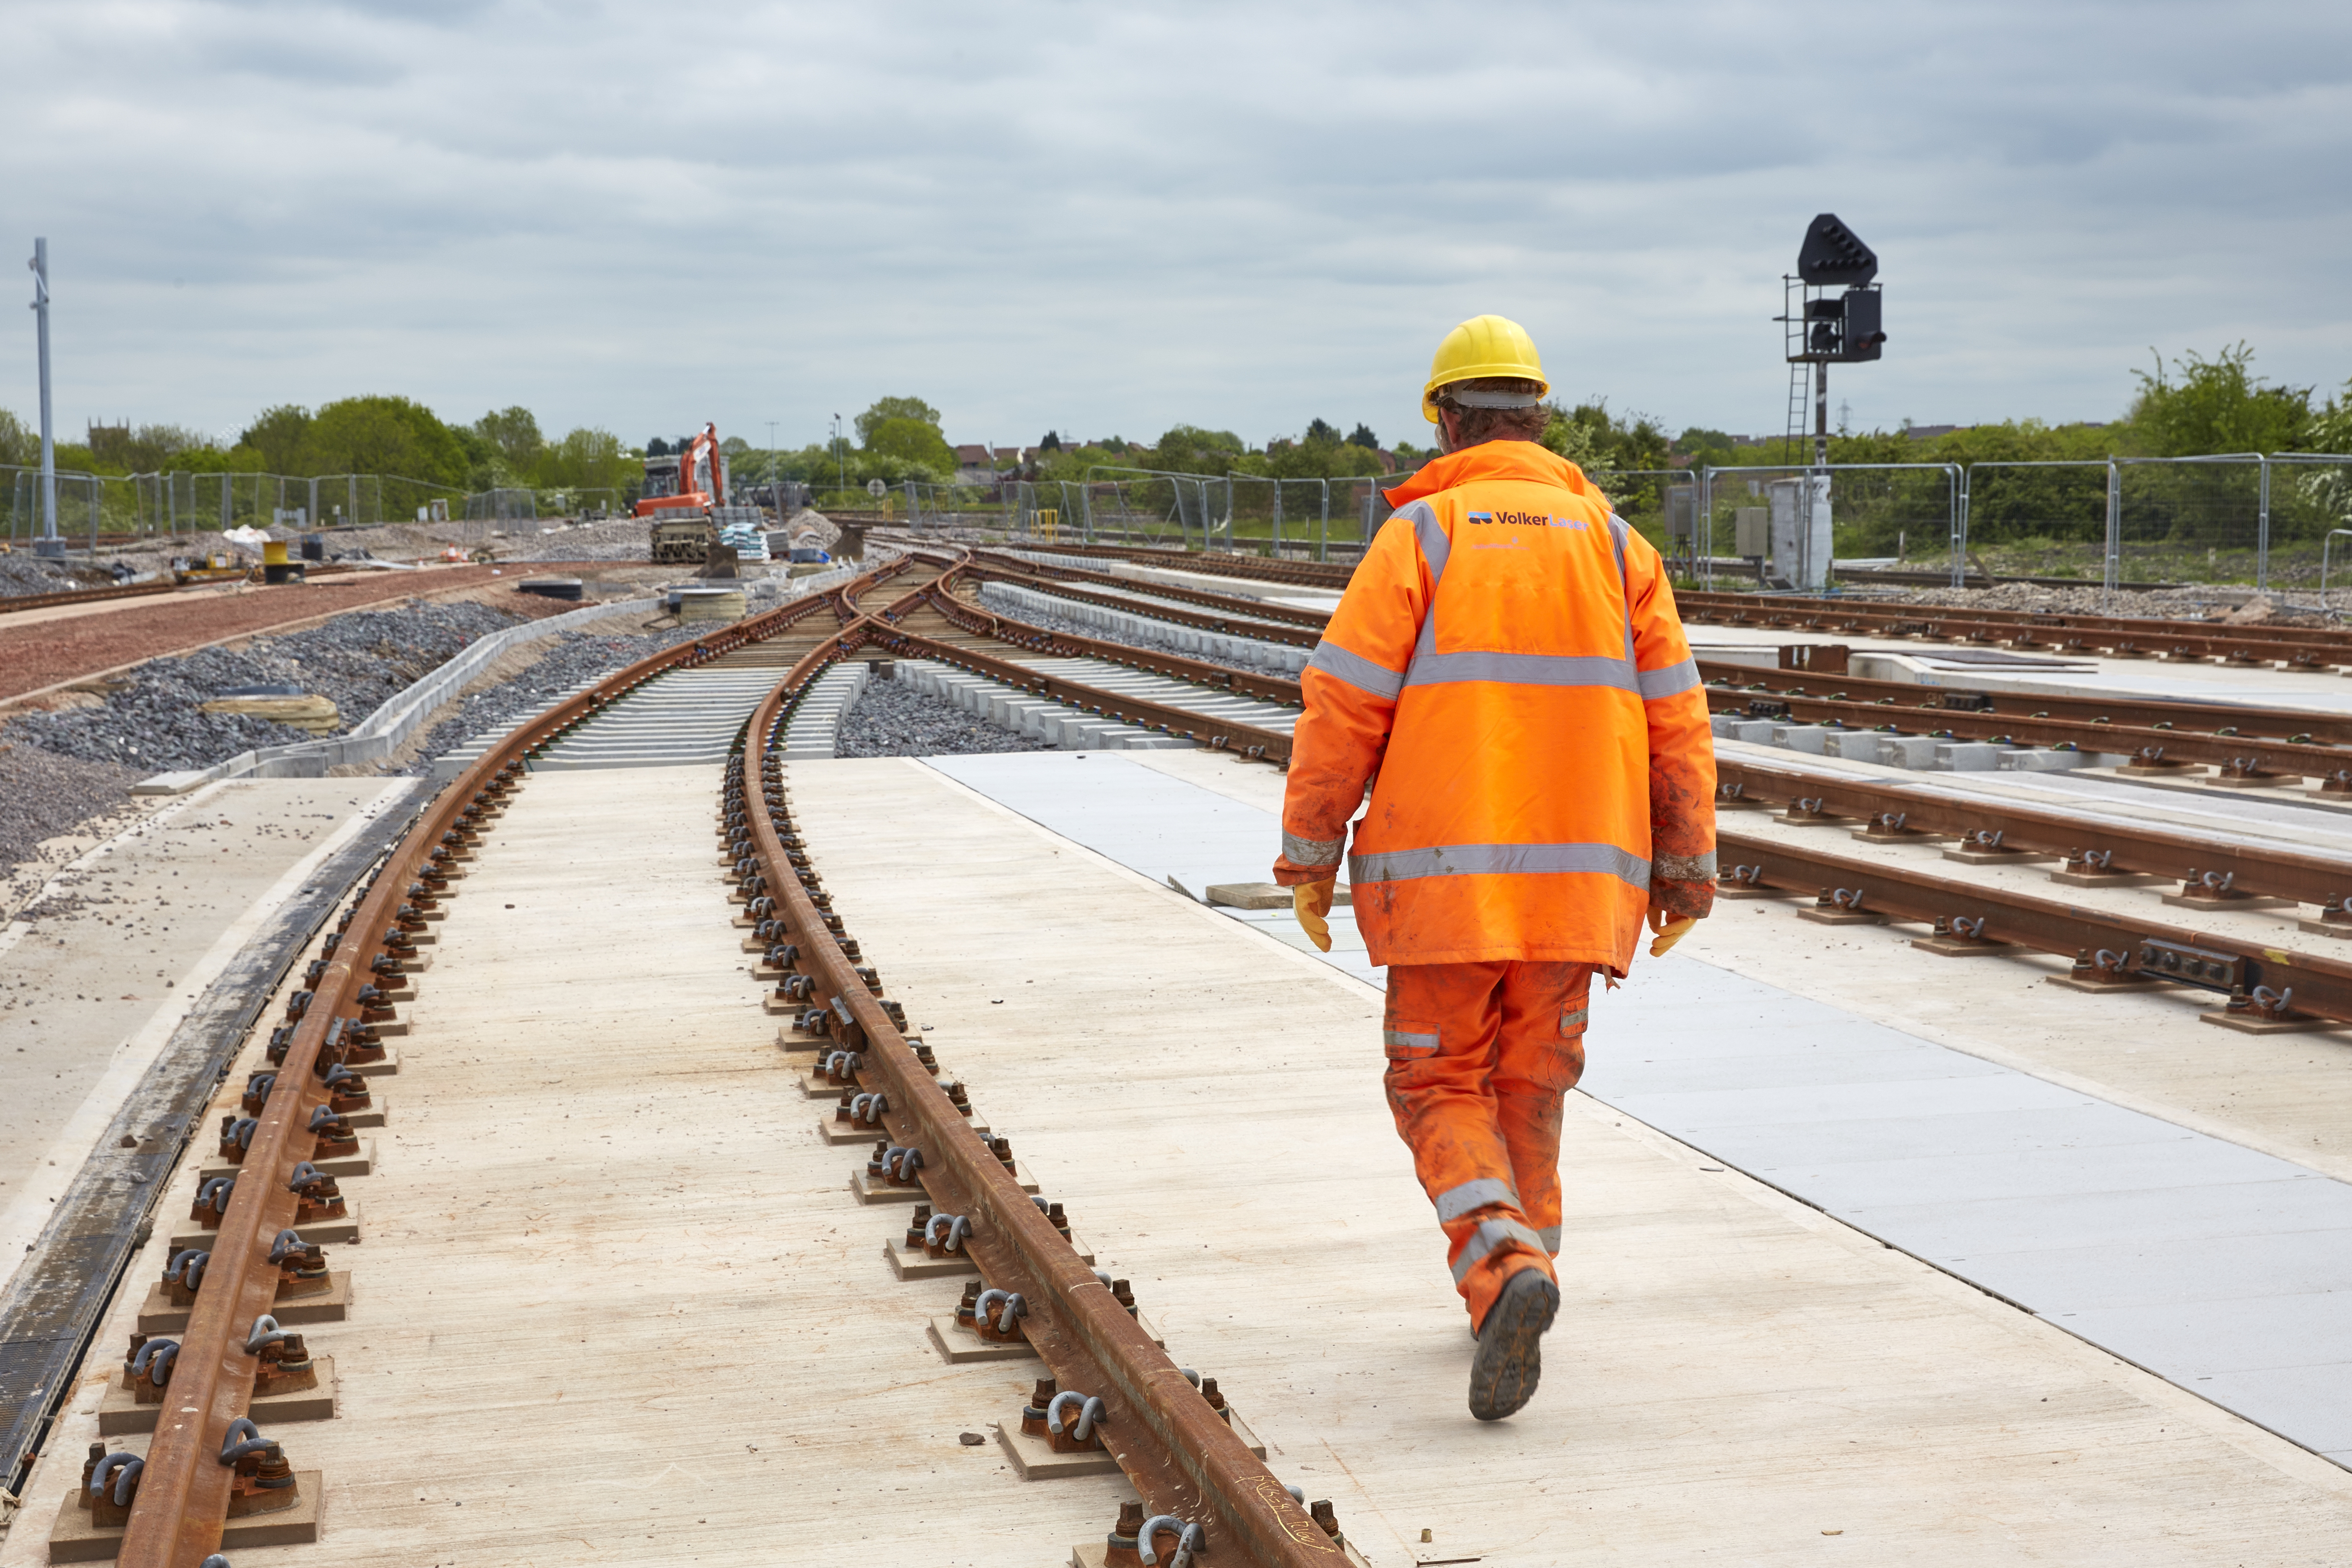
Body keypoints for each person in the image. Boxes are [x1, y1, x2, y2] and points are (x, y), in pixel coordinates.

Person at [1270, 314, 1717, 1420]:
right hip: (1580, 891)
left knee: (1436, 1083)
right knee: (1530, 1086)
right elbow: (1679, 723)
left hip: (1443, 889)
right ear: (1538, 415)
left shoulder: (1423, 536)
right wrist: (1688, 871)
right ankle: (1519, 1286)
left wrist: (1310, 856)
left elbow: (1343, 706)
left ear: (1448, 419)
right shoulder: (1620, 548)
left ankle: (1505, 1265)